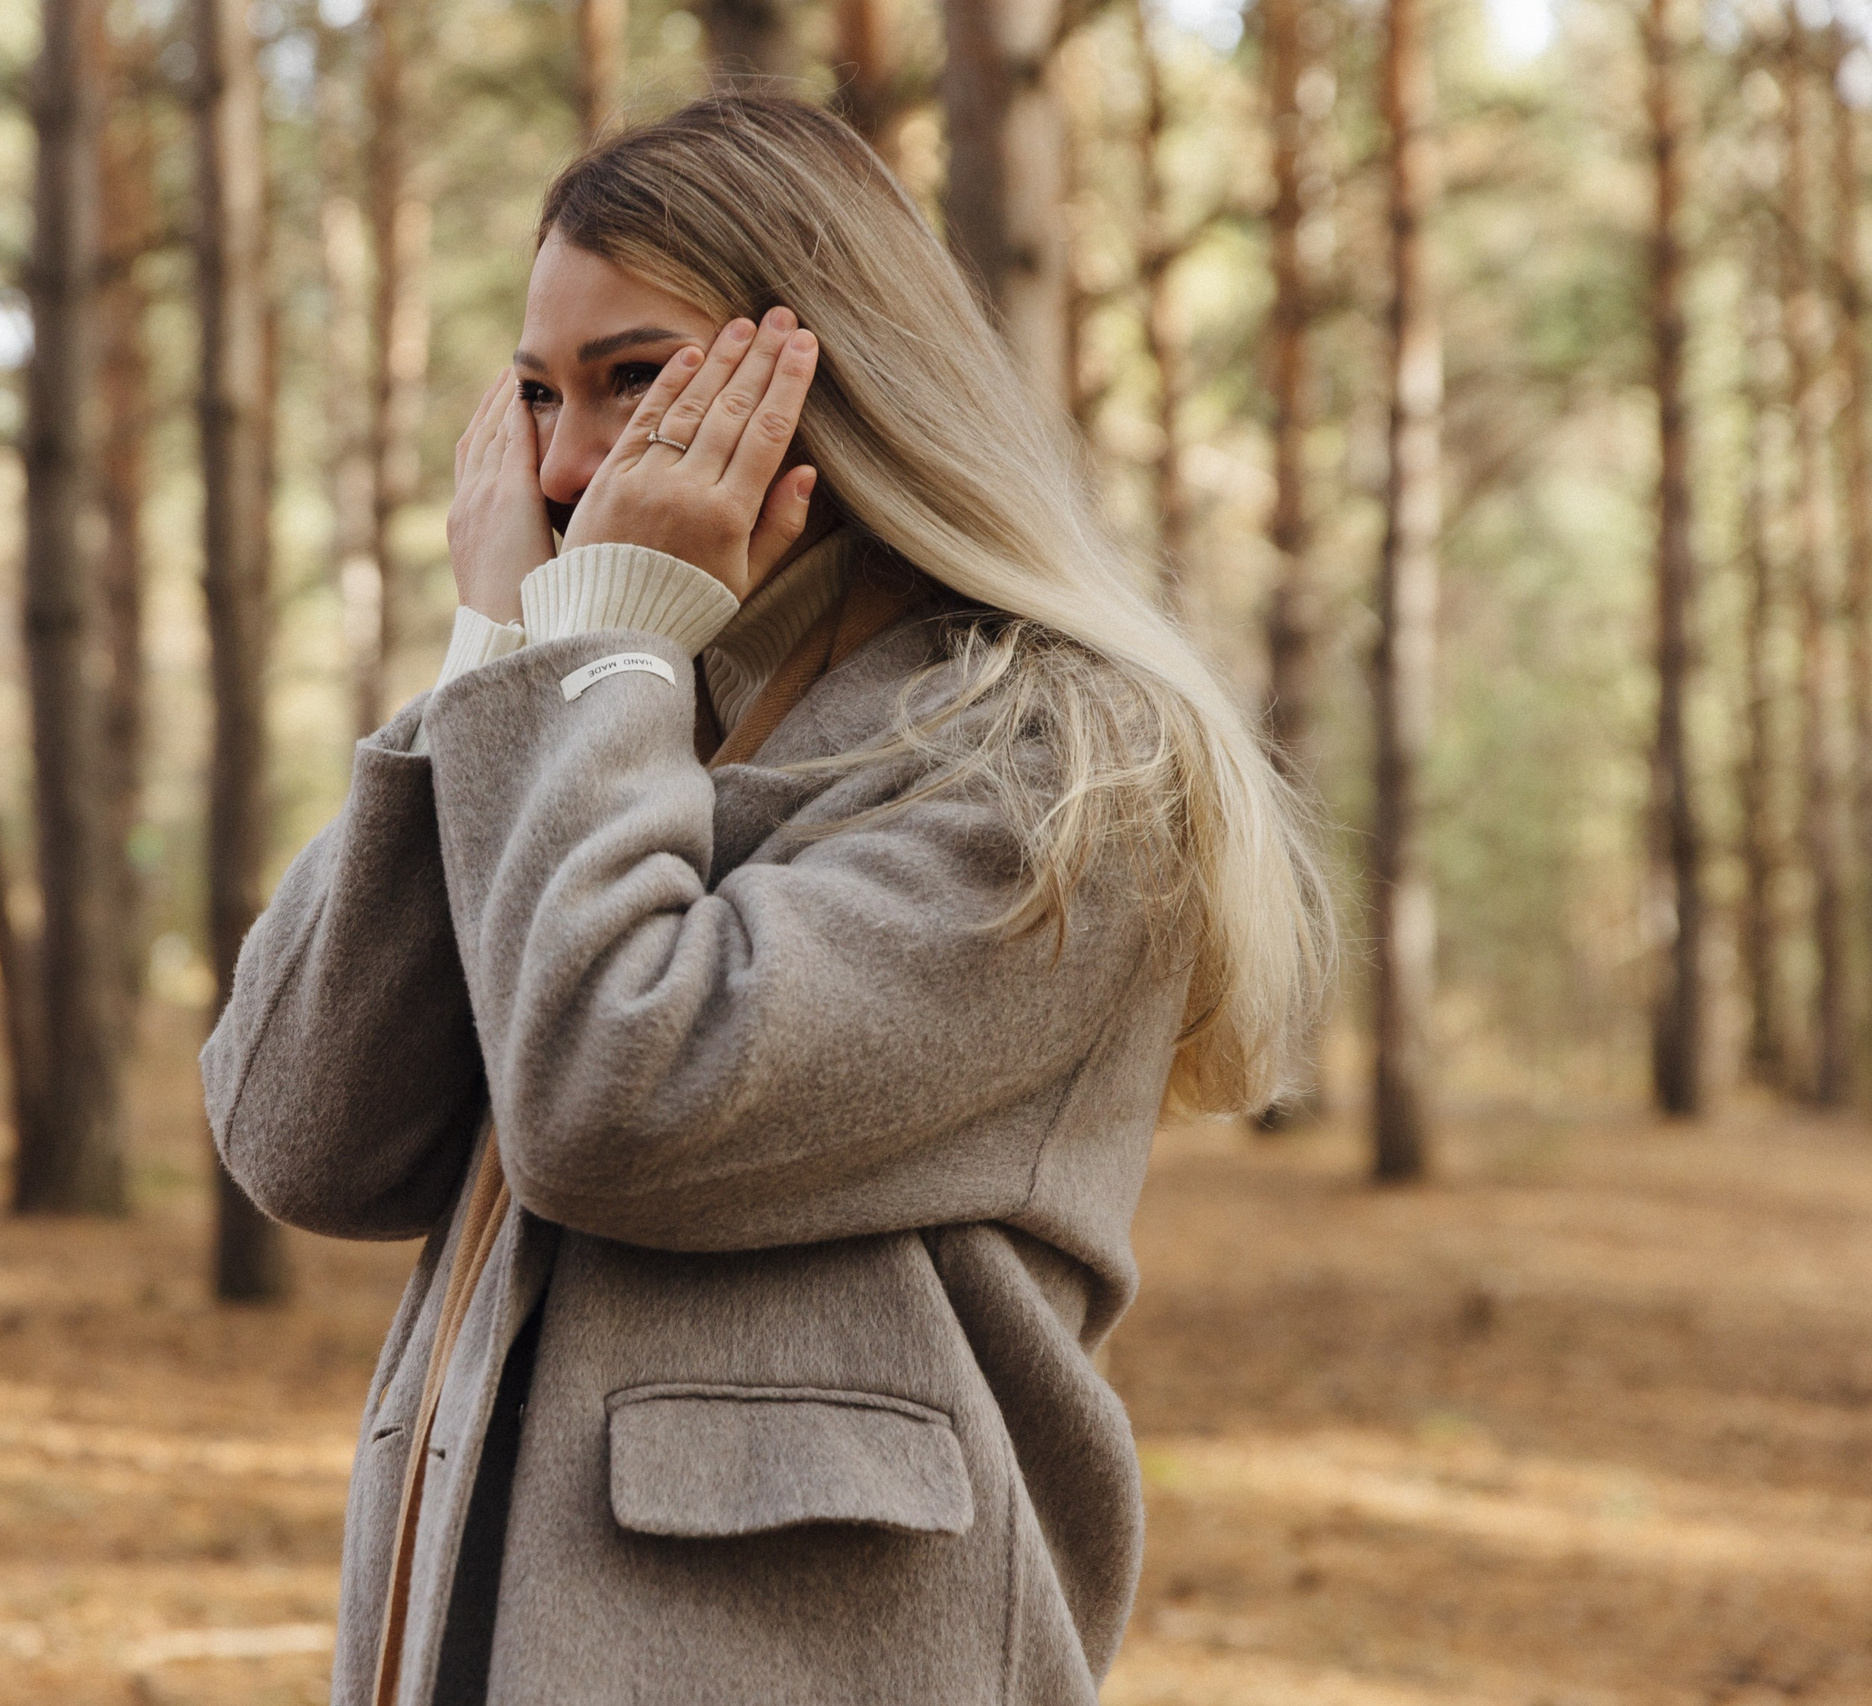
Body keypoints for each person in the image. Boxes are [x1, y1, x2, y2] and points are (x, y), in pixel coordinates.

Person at [203, 94, 1333, 1706]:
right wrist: (497, 661)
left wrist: (592, 655)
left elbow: (620, 1094)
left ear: (833, 375)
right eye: (533, 394)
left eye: (636, 380)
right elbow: (299, 1127)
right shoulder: (638, 693)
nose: (569, 463)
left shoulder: (1062, 762)